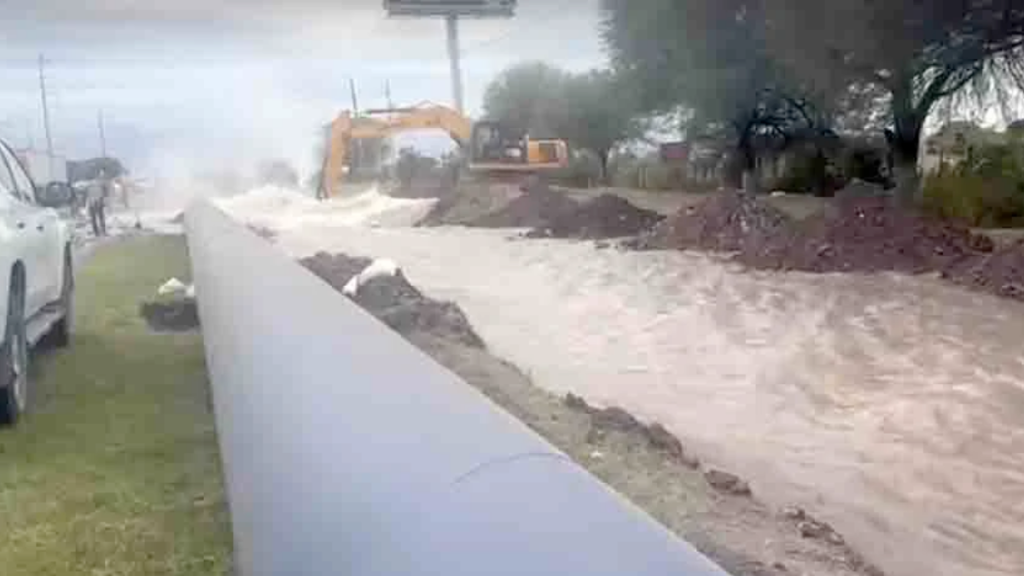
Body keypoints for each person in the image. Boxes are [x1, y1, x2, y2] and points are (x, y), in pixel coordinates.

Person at [87, 169, 110, 237]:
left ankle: (98, 233)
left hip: (95, 203)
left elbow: (103, 194)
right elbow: (102, 194)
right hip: (95, 203)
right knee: (99, 218)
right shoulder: (98, 184)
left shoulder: (92, 184)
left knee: (96, 218)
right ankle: (101, 232)